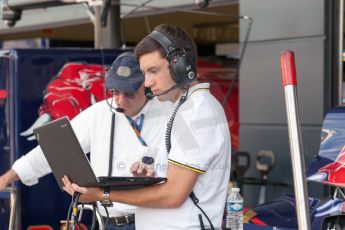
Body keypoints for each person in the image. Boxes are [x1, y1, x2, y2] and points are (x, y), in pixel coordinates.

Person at [62, 24, 231, 230]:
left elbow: (173, 195)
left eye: (153, 71)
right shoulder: (186, 108)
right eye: (144, 73)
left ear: (181, 65)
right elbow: (179, 181)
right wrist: (151, 177)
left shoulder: (198, 112)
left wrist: (103, 194)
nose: (147, 82)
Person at [0, 52, 172, 230]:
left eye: (129, 94)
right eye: (115, 92)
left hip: (152, 222)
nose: (120, 101)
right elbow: (55, 149)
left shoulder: (168, 115)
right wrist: (8, 177)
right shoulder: (99, 113)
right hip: (105, 222)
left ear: (145, 85)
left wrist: (155, 173)